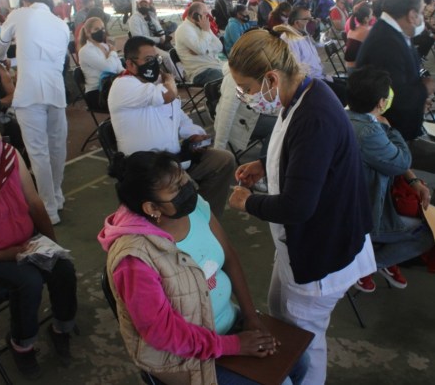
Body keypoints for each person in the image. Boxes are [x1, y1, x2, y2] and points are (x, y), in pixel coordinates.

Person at [227, 29, 375, 385]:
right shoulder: (303, 92)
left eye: (246, 88)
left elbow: (297, 207)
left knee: (304, 338)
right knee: (283, 315)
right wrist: (266, 164)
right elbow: (299, 148)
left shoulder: (315, 115)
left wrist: (248, 202)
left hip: (321, 247)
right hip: (305, 240)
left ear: (271, 78)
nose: (245, 97)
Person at [98, 150, 307, 385]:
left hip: (227, 324)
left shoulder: (196, 207)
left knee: (300, 363)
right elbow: (162, 333)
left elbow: (229, 257)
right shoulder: (134, 259)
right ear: (151, 208)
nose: (188, 188)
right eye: (177, 188)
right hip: (181, 356)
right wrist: (235, 345)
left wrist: (250, 317)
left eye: (184, 178)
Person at [0, 111, 77, 379]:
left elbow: (34, 203)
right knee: (29, 282)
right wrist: (7, 253)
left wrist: (52, 245)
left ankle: (61, 328)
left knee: (63, 268)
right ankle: (21, 344)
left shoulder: (9, 156)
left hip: (26, 242)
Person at [108, 36, 234, 218]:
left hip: (175, 160)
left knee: (223, 160)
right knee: (183, 186)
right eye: (148, 60)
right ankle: (191, 219)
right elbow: (168, 95)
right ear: (130, 64)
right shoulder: (123, 85)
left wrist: (194, 135)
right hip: (147, 170)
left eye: (155, 59)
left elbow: (180, 119)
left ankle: (206, 218)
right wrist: (170, 81)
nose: (154, 64)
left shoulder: (157, 84)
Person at [346, 66, 434, 291]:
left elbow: (391, 161)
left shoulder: (344, 117)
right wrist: (389, 128)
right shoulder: (369, 131)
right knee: (428, 234)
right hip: (364, 217)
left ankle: (375, 257)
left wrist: (413, 181)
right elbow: (402, 162)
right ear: (381, 102)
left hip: (352, 204)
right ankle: (367, 266)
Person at [0, 0, 70, 225]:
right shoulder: (61, 24)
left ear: (26, 1)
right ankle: (57, 196)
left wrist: (2, 57)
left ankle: (49, 208)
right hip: (56, 91)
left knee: (38, 152)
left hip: (29, 92)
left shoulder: (20, 13)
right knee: (57, 148)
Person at [356, 0, 435, 173]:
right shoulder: (385, 42)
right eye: (421, 12)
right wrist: (425, 88)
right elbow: (393, 95)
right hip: (391, 137)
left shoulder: (394, 34)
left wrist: (420, 100)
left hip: (401, 128)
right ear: (411, 15)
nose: (423, 19)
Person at [78, 16, 124, 109]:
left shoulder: (106, 46)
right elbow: (109, 68)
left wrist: (128, 75)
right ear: (88, 33)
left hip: (113, 86)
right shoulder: (85, 51)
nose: (101, 31)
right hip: (97, 93)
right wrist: (113, 53)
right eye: (96, 29)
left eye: (102, 28)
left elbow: (119, 68)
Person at [175, 2, 223, 85]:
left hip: (215, 66)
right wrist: (206, 31)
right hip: (200, 72)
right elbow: (201, 49)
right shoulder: (184, 29)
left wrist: (206, 50)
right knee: (228, 81)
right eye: (205, 13)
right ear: (195, 14)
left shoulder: (203, 26)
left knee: (238, 73)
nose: (207, 17)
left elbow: (219, 46)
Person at [344, 4, 372, 70]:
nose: (372, 16)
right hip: (358, 69)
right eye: (371, 14)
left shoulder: (352, 29)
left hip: (348, 67)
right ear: (366, 18)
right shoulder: (367, 31)